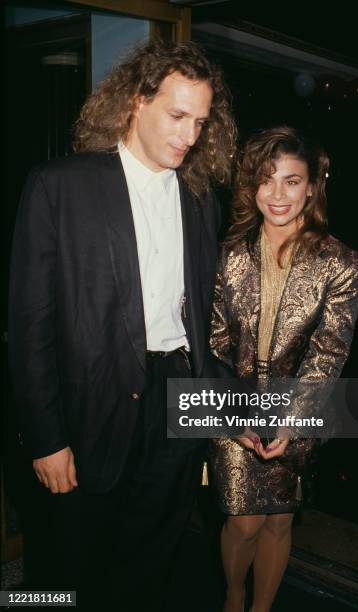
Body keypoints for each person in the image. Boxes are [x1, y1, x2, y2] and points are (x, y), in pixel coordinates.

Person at [8, 38, 236, 610]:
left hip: (176, 396)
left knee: (152, 554)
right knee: (66, 562)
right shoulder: (60, 185)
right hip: (91, 404)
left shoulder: (199, 197)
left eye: (200, 122)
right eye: (177, 115)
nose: (189, 136)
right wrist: (46, 437)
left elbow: (203, 316)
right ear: (137, 101)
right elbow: (31, 322)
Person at [209, 126, 358, 612]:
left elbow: (328, 350)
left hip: (302, 406)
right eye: (265, 180)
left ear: (312, 187)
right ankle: (235, 598)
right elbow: (214, 339)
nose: (277, 194)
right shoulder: (226, 254)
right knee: (243, 521)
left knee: (279, 519)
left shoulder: (341, 262)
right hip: (233, 401)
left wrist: (292, 419)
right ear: (250, 186)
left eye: (291, 181)